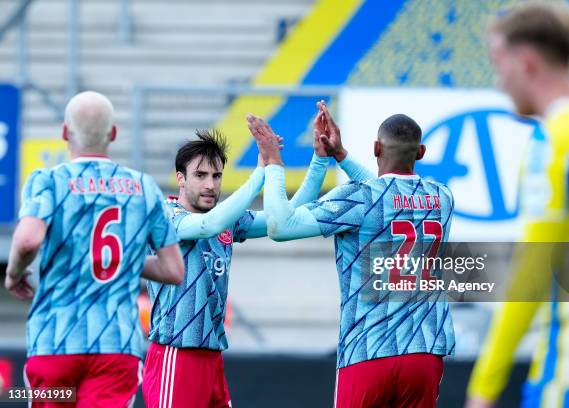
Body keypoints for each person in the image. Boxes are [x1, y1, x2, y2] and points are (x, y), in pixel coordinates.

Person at [142, 104, 367, 408]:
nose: (210, 184)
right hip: (175, 354)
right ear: (180, 178)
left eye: (217, 175)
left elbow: (287, 216)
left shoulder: (226, 219)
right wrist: (262, 171)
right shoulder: (168, 216)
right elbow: (209, 225)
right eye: (200, 175)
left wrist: (318, 160)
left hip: (211, 357)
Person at [253, 103, 455, 408]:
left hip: (367, 349)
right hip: (423, 352)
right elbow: (387, 194)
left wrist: (273, 162)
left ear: (376, 148)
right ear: (421, 152)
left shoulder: (358, 198)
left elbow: (280, 226)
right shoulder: (442, 197)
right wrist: (342, 157)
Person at [466, 2, 569, 407]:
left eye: (499, 63)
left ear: (525, 61)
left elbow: (531, 268)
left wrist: (484, 386)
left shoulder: (554, 142)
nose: (499, 82)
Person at [5, 91, 184, 407]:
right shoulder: (143, 187)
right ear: (113, 134)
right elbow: (173, 270)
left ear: (64, 132)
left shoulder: (48, 181)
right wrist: (124, 257)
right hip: (115, 347)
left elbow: (28, 239)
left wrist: (14, 274)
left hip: (55, 342)